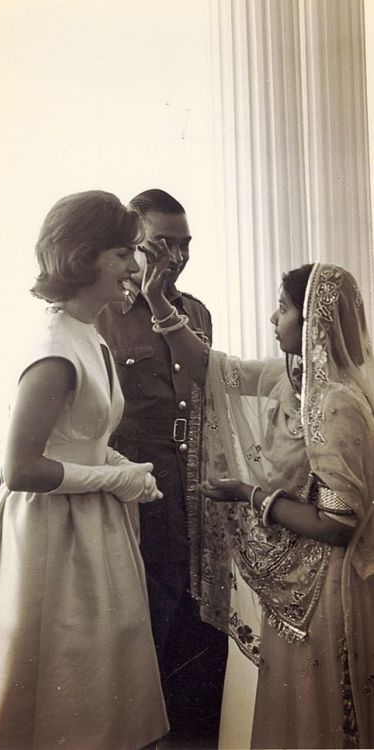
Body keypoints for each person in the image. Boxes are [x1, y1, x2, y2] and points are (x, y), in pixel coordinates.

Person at [0, 191, 168, 750]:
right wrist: (114, 478)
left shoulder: (89, 336)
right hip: (47, 538)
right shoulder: (51, 346)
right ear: (84, 257)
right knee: (59, 689)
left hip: (90, 530)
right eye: (122, 253)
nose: (135, 266)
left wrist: (120, 463)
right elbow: (19, 469)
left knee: (98, 687)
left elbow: (83, 438)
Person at [142, 249, 374, 748]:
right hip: (289, 579)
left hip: (326, 587)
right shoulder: (287, 379)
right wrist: (159, 301)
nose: (273, 317)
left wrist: (250, 494)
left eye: (283, 307)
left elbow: (339, 523)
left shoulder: (336, 405)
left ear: (313, 320)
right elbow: (209, 366)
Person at [97, 189, 228, 749]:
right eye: (162, 244)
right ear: (134, 245)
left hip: (194, 489)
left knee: (194, 622)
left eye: (185, 245)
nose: (177, 257)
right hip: (134, 491)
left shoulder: (195, 313)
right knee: (143, 615)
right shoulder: (103, 313)